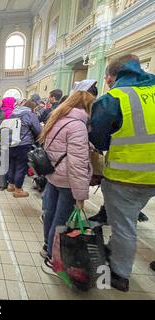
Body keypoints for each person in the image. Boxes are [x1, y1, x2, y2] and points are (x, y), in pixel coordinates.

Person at [89, 55, 155, 292]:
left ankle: (119, 273)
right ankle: (115, 248)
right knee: (128, 221)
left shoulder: (114, 98)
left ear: (110, 77)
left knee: (124, 226)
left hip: (128, 175)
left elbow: (98, 138)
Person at [39, 90, 94, 276]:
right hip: (67, 180)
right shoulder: (77, 126)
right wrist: (80, 195)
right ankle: (51, 257)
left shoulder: (57, 119)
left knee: (50, 213)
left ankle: (47, 246)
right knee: (61, 219)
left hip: (53, 175)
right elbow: (78, 163)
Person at [7, 99, 42, 198]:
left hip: (11, 143)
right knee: (21, 167)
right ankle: (18, 190)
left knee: (12, 165)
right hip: (23, 144)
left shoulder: (13, 114)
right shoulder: (30, 115)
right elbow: (38, 130)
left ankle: (11, 185)